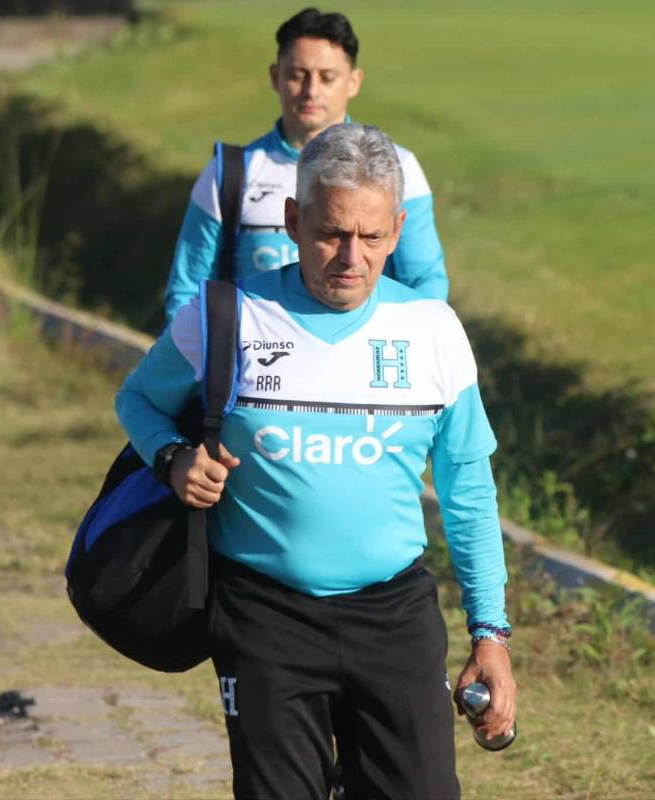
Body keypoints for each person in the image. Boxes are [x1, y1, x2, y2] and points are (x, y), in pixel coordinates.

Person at [118, 123, 514, 799]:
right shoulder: (226, 315)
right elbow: (138, 400)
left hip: (393, 617)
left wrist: (490, 633)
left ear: (397, 229)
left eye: (371, 237)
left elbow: (468, 492)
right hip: (264, 615)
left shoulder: (433, 331)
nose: (351, 258)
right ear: (293, 220)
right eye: (331, 233)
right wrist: (173, 458)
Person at [163, 7, 448, 322]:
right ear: (276, 77)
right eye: (298, 75)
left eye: (327, 77)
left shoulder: (398, 169)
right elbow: (188, 292)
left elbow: (425, 286)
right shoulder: (230, 173)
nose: (311, 91)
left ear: (354, 82)